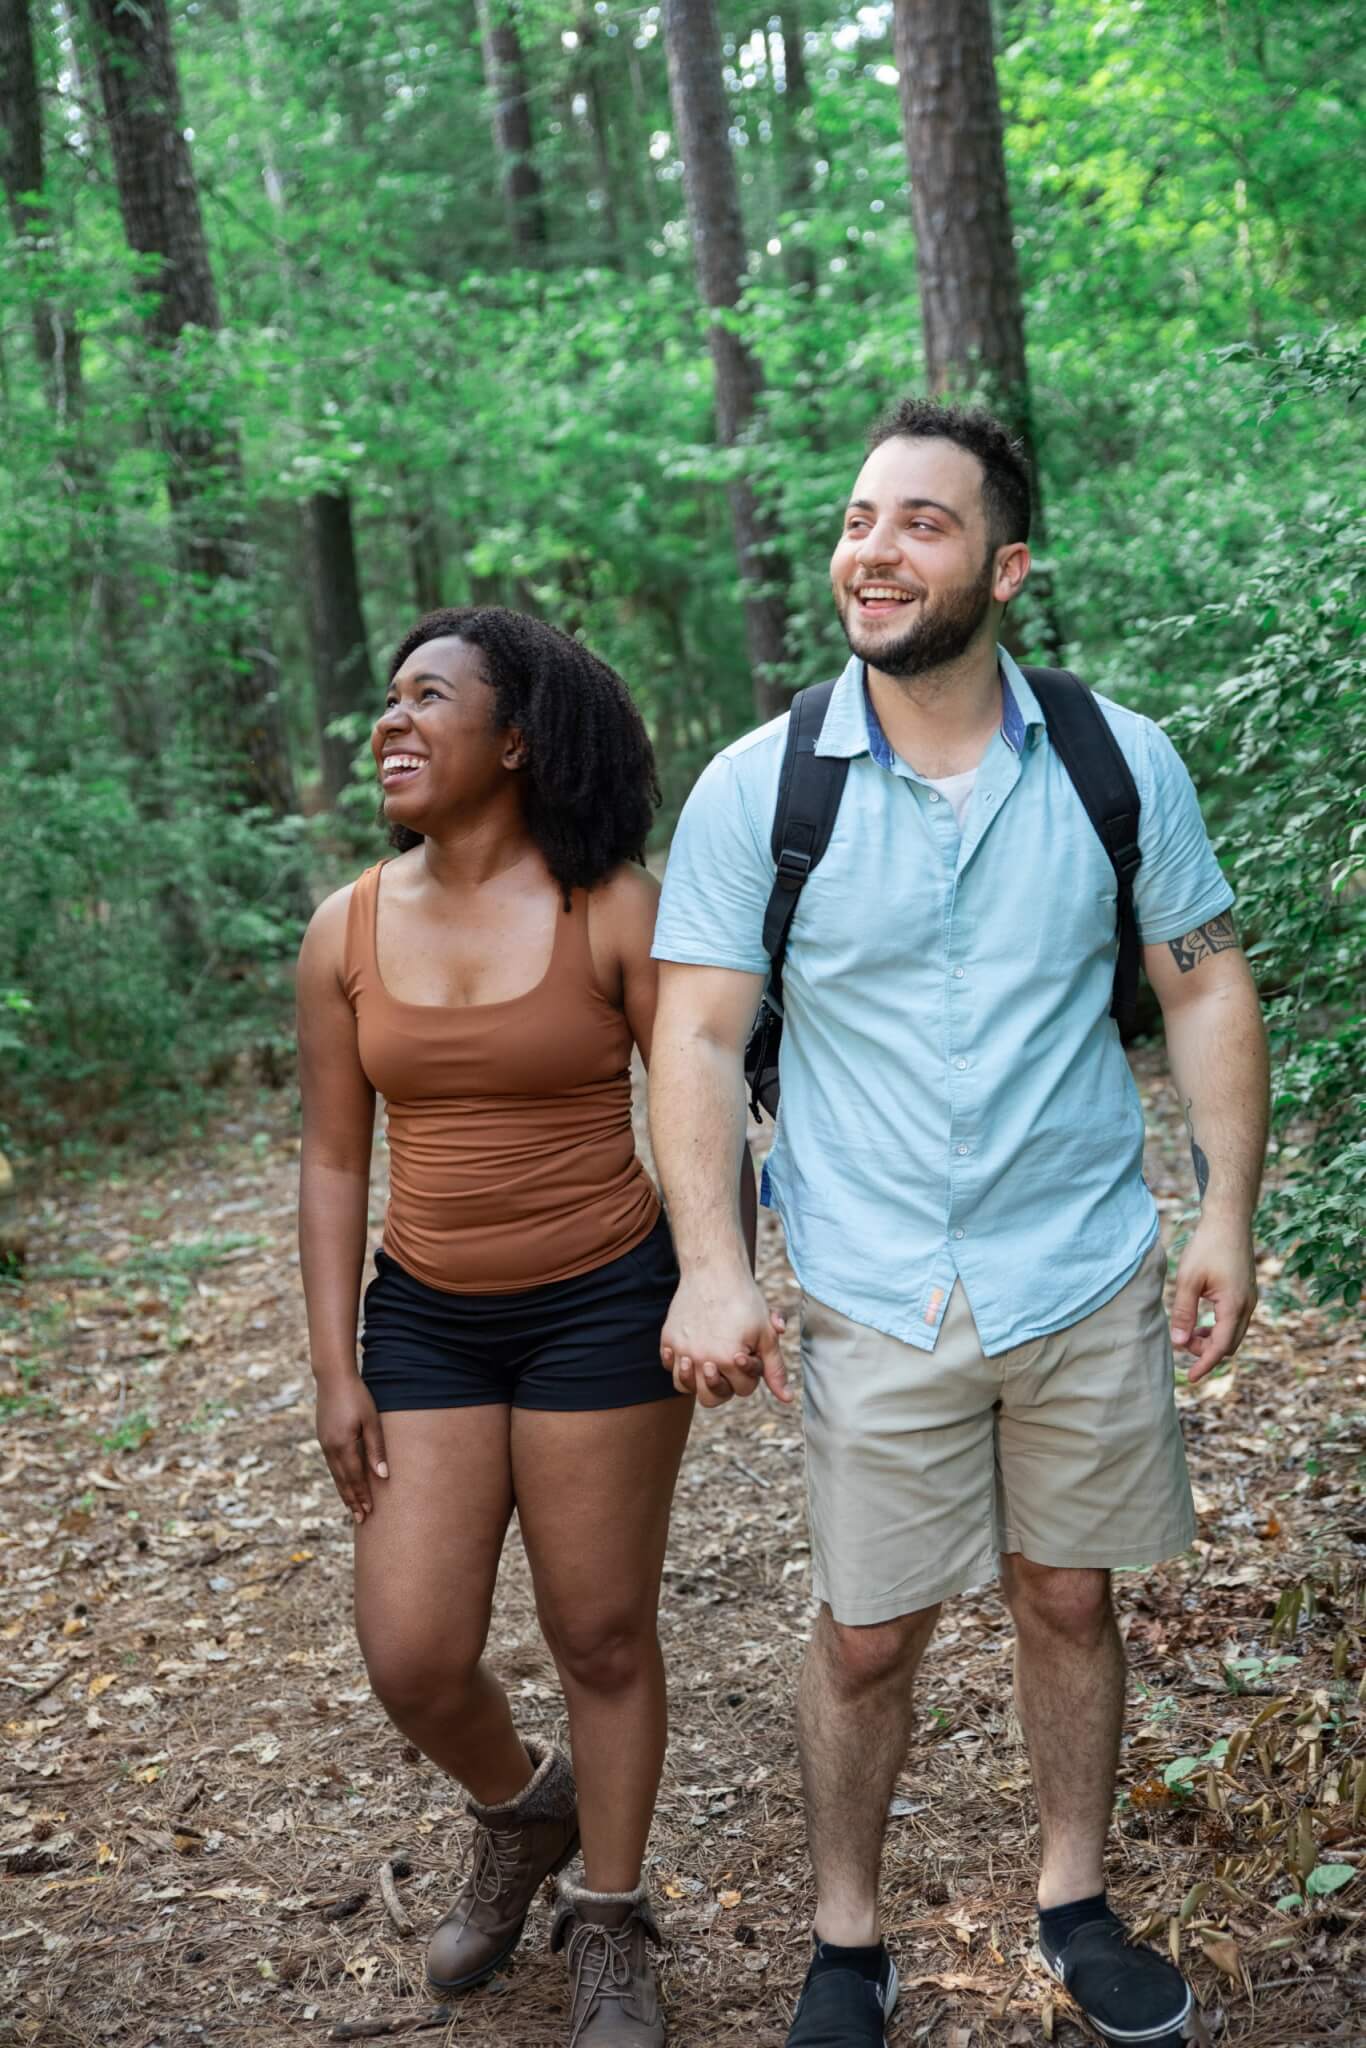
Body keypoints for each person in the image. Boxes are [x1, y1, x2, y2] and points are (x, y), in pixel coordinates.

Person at [647, 400, 1267, 2048]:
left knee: (1068, 1598)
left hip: (1075, 1261)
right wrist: (715, 1266)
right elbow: (697, 1036)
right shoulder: (758, 786)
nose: (874, 547)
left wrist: (1226, 1215)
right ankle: (844, 1943)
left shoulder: (1112, 759)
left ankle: (1074, 1903)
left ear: (1001, 567)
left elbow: (1198, 989)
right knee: (866, 1633)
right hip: (868, 1281)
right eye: (860, 519)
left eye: (920, 522)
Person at [296, 607, 692, 2048]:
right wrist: (334, 1362)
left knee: (597, 1631)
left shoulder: (615, 907)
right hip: (427, 1321)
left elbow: (699, 1103)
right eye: (385, 701)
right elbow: (336, 1156)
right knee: (410, 1651)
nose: (390, 724)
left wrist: (721, 1273)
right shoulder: (344, 925)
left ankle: (611, 1914)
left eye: (428, 700)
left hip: (604, 1297)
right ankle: (525, 1813)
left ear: (516, 741)